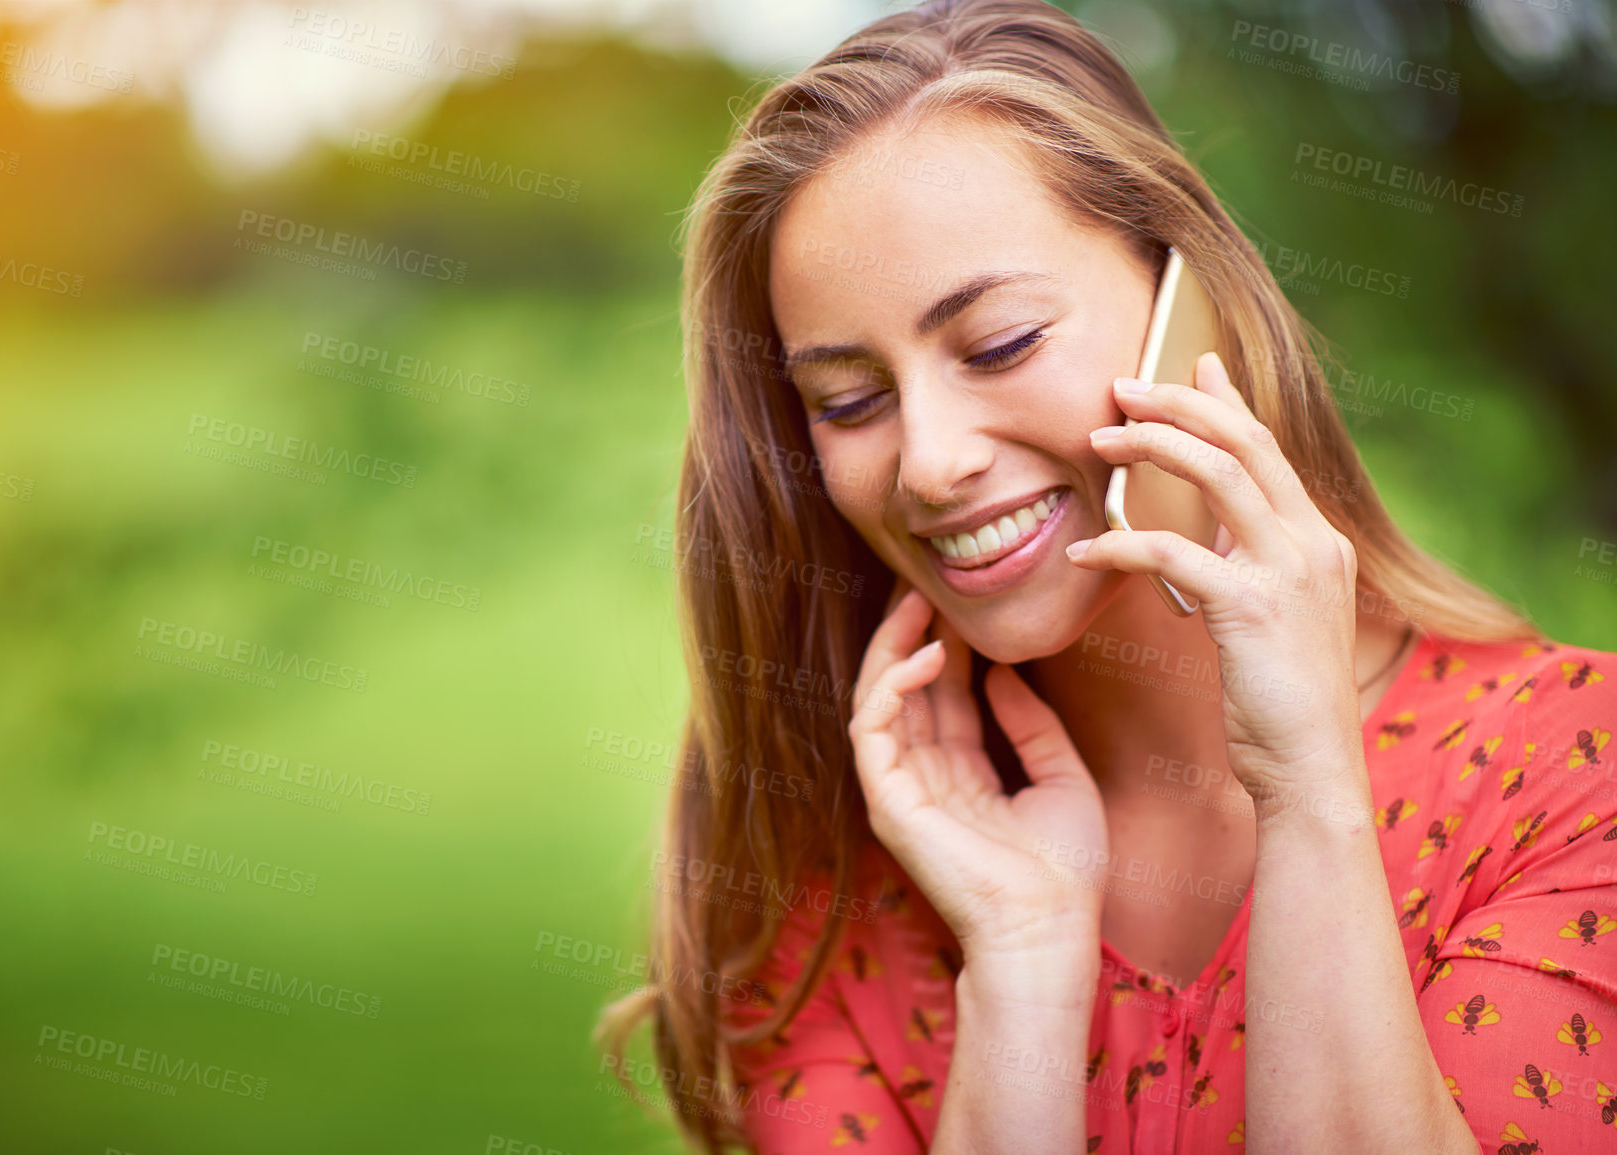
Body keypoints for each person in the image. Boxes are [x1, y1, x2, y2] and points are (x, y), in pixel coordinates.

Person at [597, 1, 1617, 1150]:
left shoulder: (1576, 778)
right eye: (850, 401)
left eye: (999, 345)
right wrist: (1022, 971)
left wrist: (1308, 794)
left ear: (1196, 307)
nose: (930, 464)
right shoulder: (820, 907)